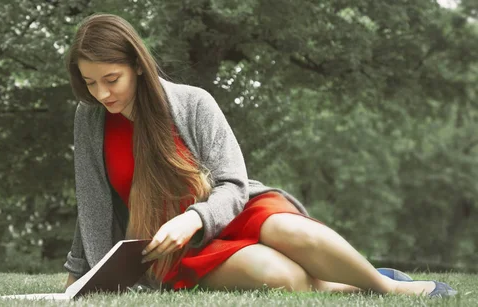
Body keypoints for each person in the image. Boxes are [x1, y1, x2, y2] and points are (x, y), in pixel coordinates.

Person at [62, 13, 457, 297]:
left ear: (139, 66)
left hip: (231, 211)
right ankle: (349, 283)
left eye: (111, 80)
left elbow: (232, 184)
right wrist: (81, 278)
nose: (102, 94)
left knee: (291, 230)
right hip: (175, 249)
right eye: (90, 83)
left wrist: (193, 218)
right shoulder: (90, 119)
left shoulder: (193, 103)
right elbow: (92, 203)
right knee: (279, 276)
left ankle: (389, 287)